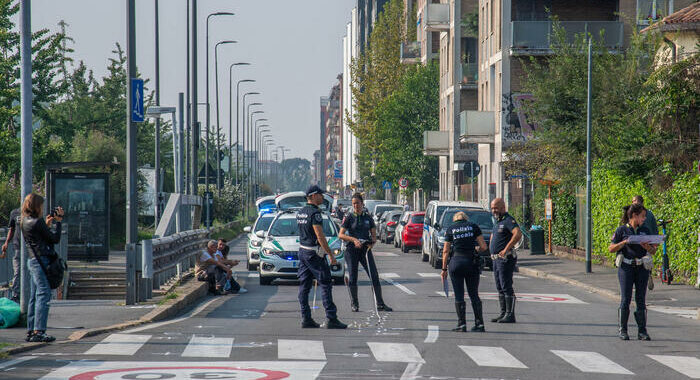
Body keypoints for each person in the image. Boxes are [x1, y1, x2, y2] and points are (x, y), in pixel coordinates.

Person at [296, 185, 347, 329]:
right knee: (325, 283)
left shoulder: (300, 212)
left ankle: (306, 318)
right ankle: (331, 317)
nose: (322, 197)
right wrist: (330, 255)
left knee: (304, 285)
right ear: (312, 196)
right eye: (320, 194)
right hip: (314, 253)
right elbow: (320, 236)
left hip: (303, 251)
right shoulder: (315, 213)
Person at [609, 203, 657, 341]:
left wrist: (648, 247)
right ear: (634, 216)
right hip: (626, 267)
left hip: (641, 267)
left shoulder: (646, 230)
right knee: (626, 299)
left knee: (641, 299)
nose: (644, 219)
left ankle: (642, 331)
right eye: (642, 216)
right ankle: (623, 330)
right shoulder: (621, 230)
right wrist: (624, 242)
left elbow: (653, 250)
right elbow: (611, 248)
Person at [338, 192, 392, 313]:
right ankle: (354, 304)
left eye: (357, 203)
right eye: (353, 204)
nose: (355, 206)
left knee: (374, 276)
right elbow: (340, 235)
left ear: (362, 203)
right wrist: (354, 240)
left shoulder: (368, 217)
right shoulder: (349, 217)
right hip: (352, 249)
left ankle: (380, 303)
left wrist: (373, 241)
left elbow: (374, 235)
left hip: (365, 249)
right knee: (353, 277)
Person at [20, 193, 63, 343]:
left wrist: (47, 224)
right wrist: (58, 222)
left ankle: (31, 330)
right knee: (44, 294)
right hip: (41, 261)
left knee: (34, 296)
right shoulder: (37, 222)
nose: (43, 208)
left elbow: (39, 237)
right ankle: (39, 331)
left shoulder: (25, 221)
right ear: (36, 206)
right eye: (41, 205)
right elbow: (54, 239)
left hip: (32, 260)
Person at [441, 211, 488, 332]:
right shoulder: (473, 227)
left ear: (455, 219)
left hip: (456, 263)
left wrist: (444, 269)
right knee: (474, 294)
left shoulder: (451, 229)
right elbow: (483, 247)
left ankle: (461, 324)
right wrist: (475, 249)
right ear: (466, 219)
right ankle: (479, 323)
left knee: (459, 294)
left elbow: (446, 251)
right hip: (471, 262)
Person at [489, 198, 522, 324]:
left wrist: (506, 248)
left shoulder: (508, 220)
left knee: (506, 286)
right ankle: (503, 313)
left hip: (505, 258)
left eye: (496, 208)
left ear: (503, 207)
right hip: (496, 260)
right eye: (492, 208)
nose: (494, 210)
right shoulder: (498, 221)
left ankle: (510, 314)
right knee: (499, 286)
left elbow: (517, 234)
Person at [1, 205, 21, 303]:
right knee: (17, 272)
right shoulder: (15, 212)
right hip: (18, 247)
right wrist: (6, 243)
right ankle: (16, 295)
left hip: (31, 249)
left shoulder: (34, 212)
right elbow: (11, 229)